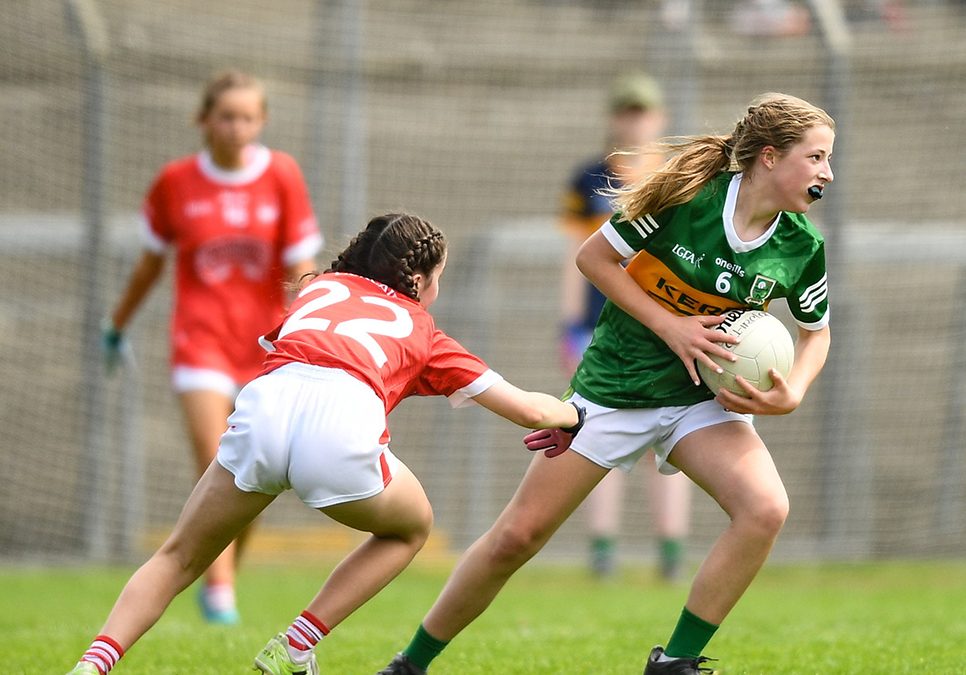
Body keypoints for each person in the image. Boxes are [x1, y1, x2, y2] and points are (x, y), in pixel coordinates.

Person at [376, 92, 834, 675]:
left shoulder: (802, 246)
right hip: (616, 388)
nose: (827, 173)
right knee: (518, 537)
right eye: (817, 157)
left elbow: (816, 334)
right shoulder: (687, 196)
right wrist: (673, 327)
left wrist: (792, 390)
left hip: (701, 402)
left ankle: (676, 662)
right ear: (769, 157)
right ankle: (410, 665)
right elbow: (593, 259)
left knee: (766, 508)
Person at [64, 213, 587, 675]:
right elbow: (530, 410)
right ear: (421, 279)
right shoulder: (425, 329)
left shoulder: (320, 289)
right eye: (438, 279)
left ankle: (92, 665)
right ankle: (295, 646)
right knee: (413, 527)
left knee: (178, 557)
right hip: (339, 427)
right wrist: (577, 413)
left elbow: (313, 349)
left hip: (266, 405)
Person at [100, 70, 323, 625]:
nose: (238, 127)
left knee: (257, 470)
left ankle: (223, 572)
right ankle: (220, 592)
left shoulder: (282, 175)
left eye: (248, 116)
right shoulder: (176, 182)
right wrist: (117, 323)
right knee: (216, 456)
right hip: (199, 340)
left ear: (262, 121)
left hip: (267, 344)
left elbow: (300, 262)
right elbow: (150, 264)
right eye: (227, 116)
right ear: (204, 120)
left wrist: (309, 319)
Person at [560, 72, 693, 581]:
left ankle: (671, 553)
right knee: (598, 431)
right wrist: (570, 325)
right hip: (604, 326)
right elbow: (571, 256)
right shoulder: (588, 178)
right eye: (627, 112)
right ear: (614, 118)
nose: (636, 122)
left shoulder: (681, 177)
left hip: (666, 324)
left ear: (659, 118)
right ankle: (603, 550)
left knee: (674, 437)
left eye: (644, 112)